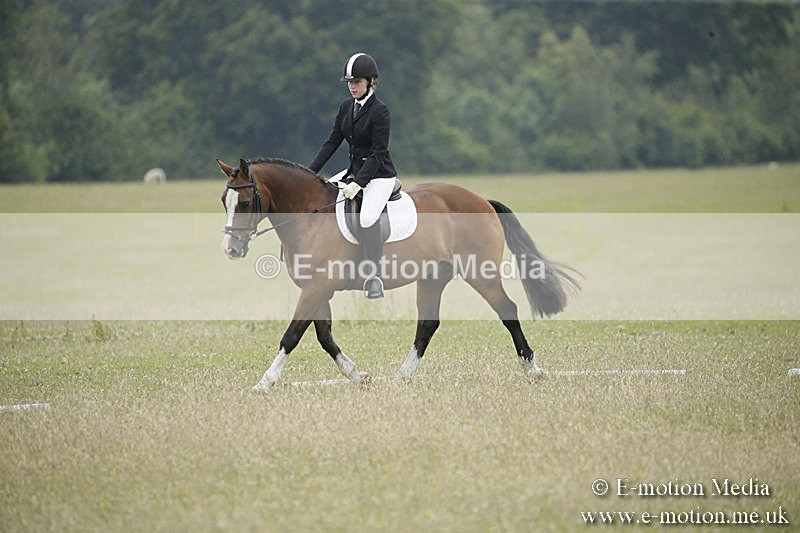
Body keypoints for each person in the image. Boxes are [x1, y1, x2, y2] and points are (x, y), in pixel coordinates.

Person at [309, 52, 398, 299]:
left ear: (371, 81)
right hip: (353, 173)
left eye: (357, 82)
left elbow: (379, 152)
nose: (352, 87)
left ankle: (375, 276)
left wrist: (359, 183)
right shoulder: (346, 107)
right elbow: (332, 142)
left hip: (379, 175)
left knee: (368, 218)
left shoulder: (380, 111)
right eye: (349, 82)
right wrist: (308, 173)